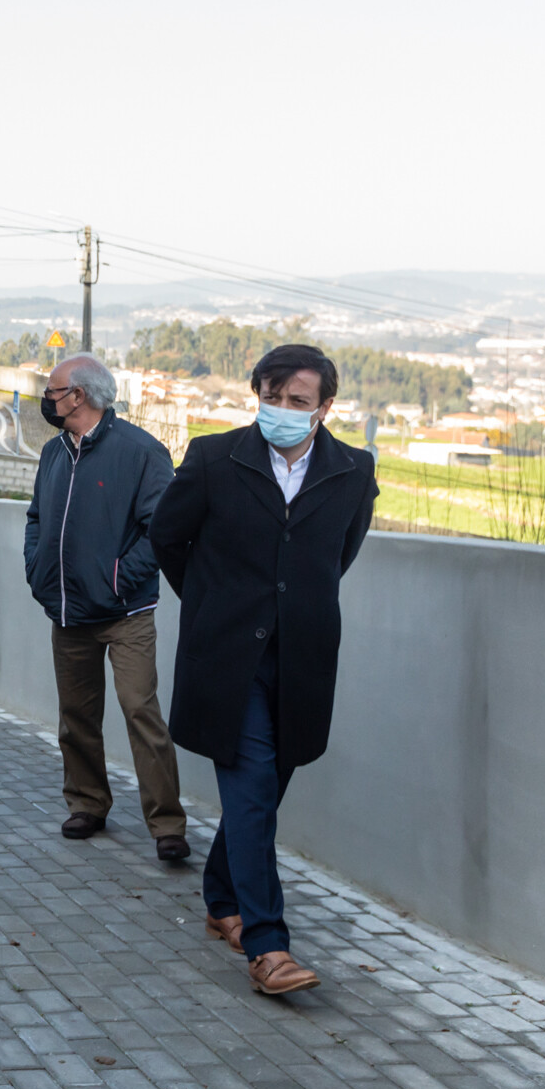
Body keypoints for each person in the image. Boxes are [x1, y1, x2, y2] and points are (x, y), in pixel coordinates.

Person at [151, 344, 377, 996]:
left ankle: (222, 897)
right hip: (228, 661)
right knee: (251, 794)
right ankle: (266, 943)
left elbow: (340, 552)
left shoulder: (353, 471)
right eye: (270, 397)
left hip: (301, 662)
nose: (281, 410)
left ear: (325, 407)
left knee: (265, 791)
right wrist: (211, 603)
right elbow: (168, 537)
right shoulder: (214, 458)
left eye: (297, 401)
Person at [25, 355, 188, 860]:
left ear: (80, 396)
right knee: (76, 716)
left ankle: (167, 825)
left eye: (52, 390)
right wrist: (37, 568)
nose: (46, 398)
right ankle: (88, 803)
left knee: (141, 710)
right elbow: (36, 518)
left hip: (126, 615)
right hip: (68, 613)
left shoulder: (142, 451)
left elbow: (163, 530)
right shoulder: (54, 452)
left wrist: (119, 580)